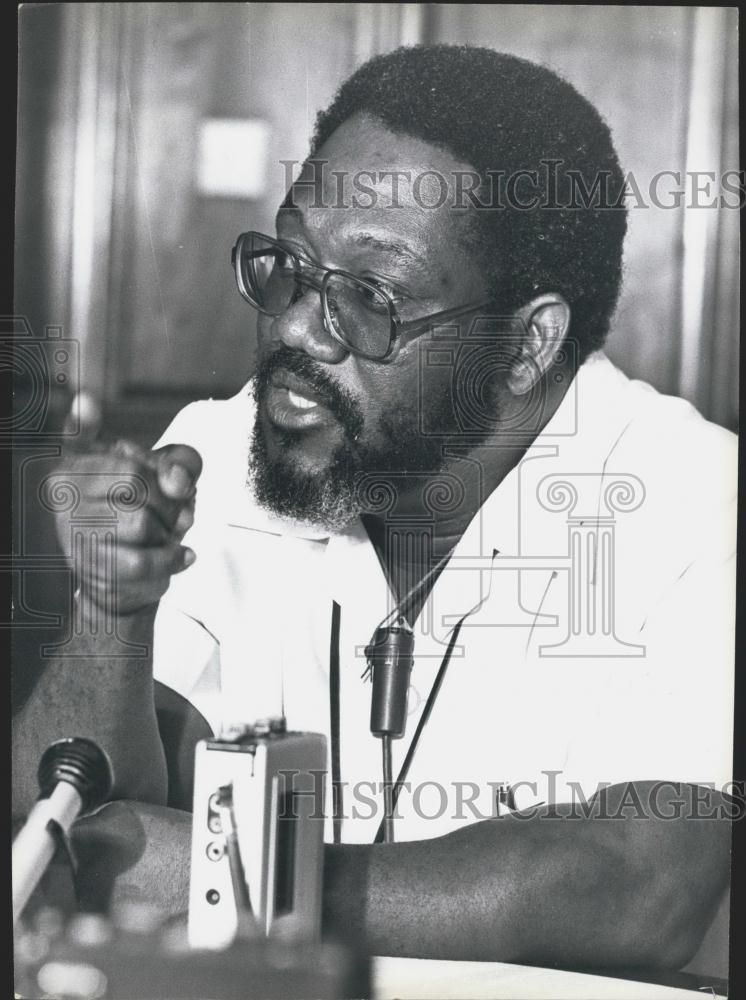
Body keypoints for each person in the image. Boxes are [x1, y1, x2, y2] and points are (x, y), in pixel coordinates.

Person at [13, 45, 736, 970]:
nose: (292, 329)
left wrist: (236, 878)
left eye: (370, 296)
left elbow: (635, 892)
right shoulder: (218, 450)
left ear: (526, 343)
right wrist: (112, 611)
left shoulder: (699, 501)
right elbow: (68, 816)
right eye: (290, 263)